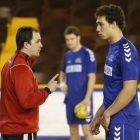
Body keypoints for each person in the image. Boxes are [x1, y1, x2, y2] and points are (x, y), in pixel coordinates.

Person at [89, 4, 140, 140]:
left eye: (101, 24)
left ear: (113, 24)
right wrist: (99, 115)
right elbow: (113, 91)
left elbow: (130, 91)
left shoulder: (126, 50)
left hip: (124, 120)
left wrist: (106, 114)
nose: (97, 29)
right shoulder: (112, 49)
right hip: (112, 119)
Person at [0, 26, 58, 140]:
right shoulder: (21, 67)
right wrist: (48, 90)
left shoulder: (9, 63)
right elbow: (27, 102)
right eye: (37, 41)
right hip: (21, 130)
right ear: (26, 45)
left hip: (11, 130)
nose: (41, 45)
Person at [59, 26, 96, 140]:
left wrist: (87, 98)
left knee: (87, 131)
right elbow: (62, 72)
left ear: (78, 38)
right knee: (73, 131)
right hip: (70, 100)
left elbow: (92, 77)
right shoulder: (68, 55)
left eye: (72, 38)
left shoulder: (87, 53)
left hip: (83, 100)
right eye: (67, 39)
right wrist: (62, 84)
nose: (69, 42)